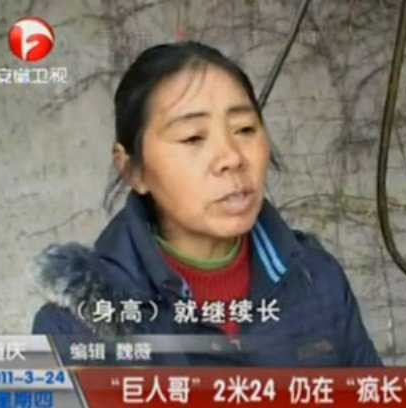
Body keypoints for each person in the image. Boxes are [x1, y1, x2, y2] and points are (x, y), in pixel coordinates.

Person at [32, 41, 382, 367]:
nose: (232, 157)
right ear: (133, 170)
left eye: (245, 129)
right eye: (193, 137)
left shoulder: (316, 280)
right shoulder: (74, 328)